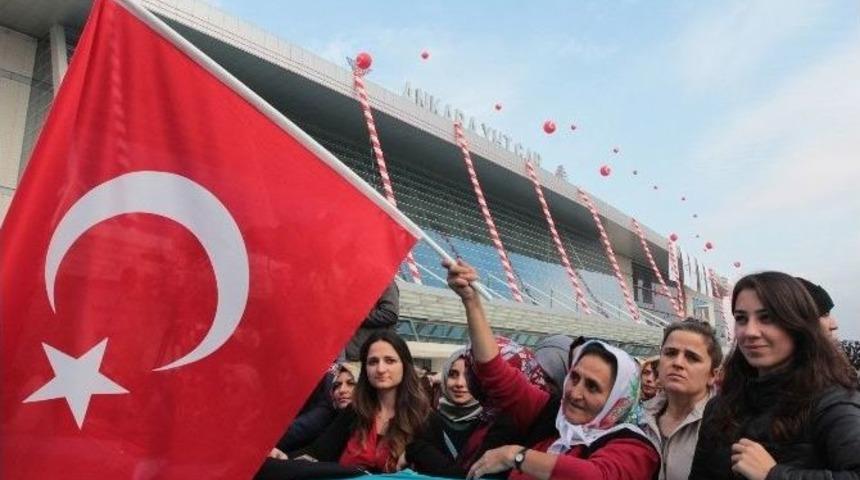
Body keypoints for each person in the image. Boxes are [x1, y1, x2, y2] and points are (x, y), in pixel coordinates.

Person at [445, 259, 659, 480]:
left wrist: (516, 457)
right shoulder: (552, 414)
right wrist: (472, 302)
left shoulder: (633, 447)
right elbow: (496, 374)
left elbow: (597, 476)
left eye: (593, 387)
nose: (575, 392)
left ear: (618, 401)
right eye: (574, 377)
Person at [689, 272, 860, 479]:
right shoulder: (719, 408)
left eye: (767, 318)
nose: (750, 331)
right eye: (741, 319)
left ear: (798, 325)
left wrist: (773, 474)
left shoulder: (832, 403)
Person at [286, 330, 431, 473]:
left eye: (390, 361)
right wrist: (282, 457)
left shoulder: (424, 417)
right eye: (373, 362)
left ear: (405, 366)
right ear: (365, 369)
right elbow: (317, 453)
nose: (380, 369)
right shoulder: (354, 411)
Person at [404, 346, 520, 478]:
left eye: (468, 376)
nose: (460, 383)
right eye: (453, 374)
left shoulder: (496, 425)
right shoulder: (426, 420)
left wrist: (417, 450)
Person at [639, 319, 722, 480]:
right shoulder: (636, 418)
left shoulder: (725, 425)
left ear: (713, 375)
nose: (677, 363)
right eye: (670, 353)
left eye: (692, 358)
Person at [344, 281, 399, 361]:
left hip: (364, 355)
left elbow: (390, 314)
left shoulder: (385, 282)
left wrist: (354, 317)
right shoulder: (352, 282)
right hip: (349, 353)